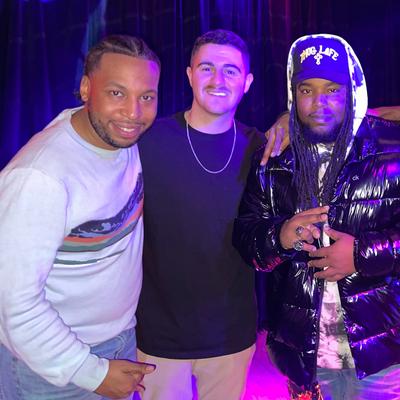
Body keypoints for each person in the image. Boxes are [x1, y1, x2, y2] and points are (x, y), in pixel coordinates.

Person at [233, 33, 400, 399]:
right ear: (294, 94)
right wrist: (280, 236)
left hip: (382, 354)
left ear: (350, 92)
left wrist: (360, 254)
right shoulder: (274, 157)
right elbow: (246, 237)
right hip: (304, 357)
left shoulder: (391, 150)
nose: (319, 102)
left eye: (332, 90)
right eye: (306, 90)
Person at [0, 35, 160, 400]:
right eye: (117, 93)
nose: (133, 113)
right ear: (87, 88)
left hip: (119, 340)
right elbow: (11, 304)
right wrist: (91, 372)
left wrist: (283, 121)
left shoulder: (120, 140)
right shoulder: (40, 178)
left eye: (146, 97)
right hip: (51, 365)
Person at [135, 29, 264, 400]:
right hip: (159, 333)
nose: (218, 80)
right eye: (207, 68)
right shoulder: (148, 139)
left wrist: (288, 119)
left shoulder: (261, 147)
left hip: (231, 333)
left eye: (230, 71)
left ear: (247, 82)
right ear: (190, 75)